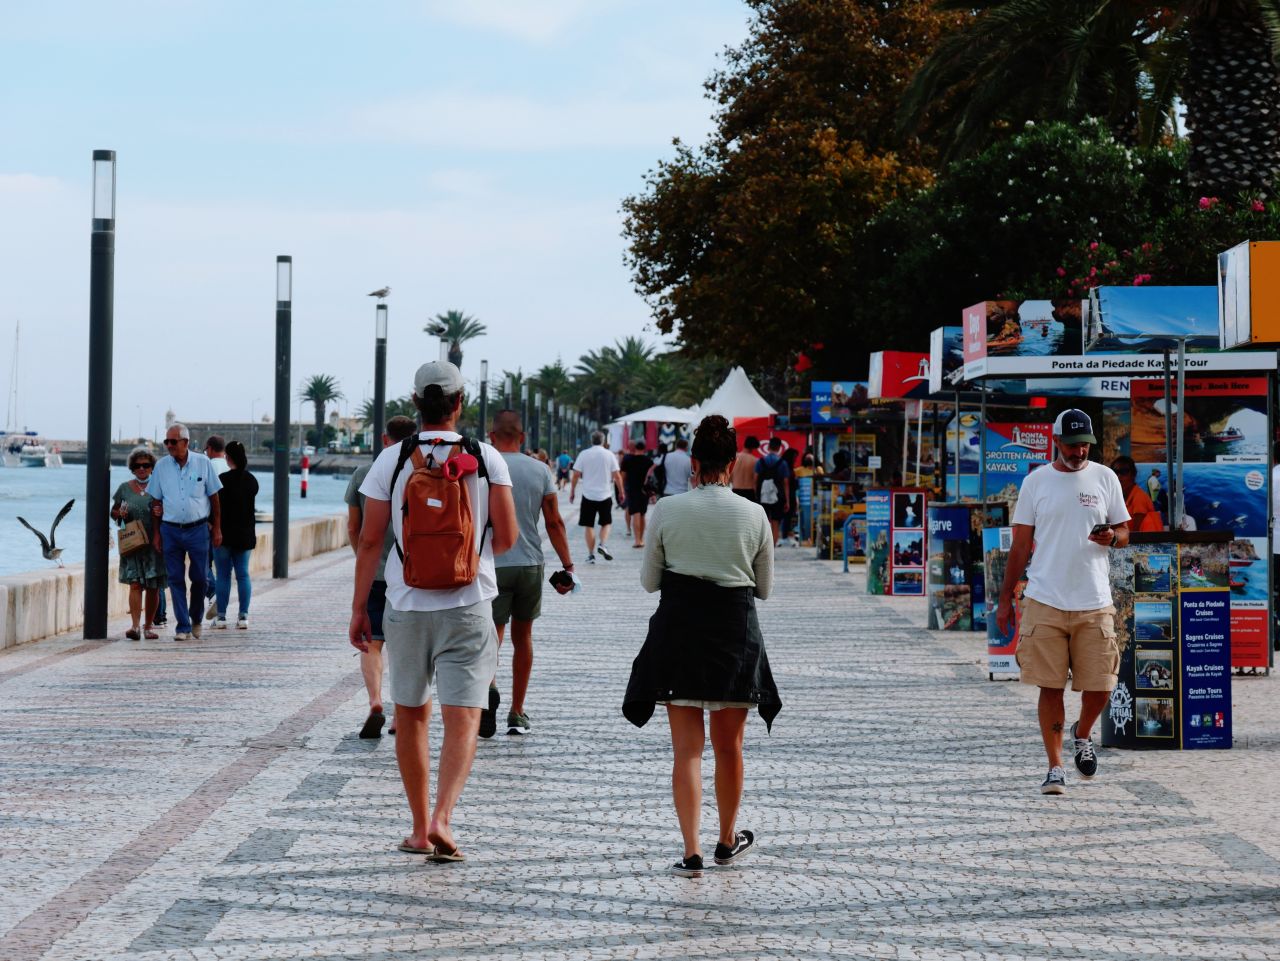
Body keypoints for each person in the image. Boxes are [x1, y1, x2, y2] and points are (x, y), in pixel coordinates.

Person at [350, 361, 516, 861]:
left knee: (412, 713)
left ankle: (420, 829)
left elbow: (370, 541)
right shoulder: (487, 459)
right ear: (460, 403)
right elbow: (506, 539)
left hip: (405, 605)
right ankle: (445, 816)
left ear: (416, 403)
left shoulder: (392, 461)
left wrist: (360, 608)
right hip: (470, 603)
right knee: (464, 716)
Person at [624, 415, 781, 878]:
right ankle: (726, 840)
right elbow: (765, 589)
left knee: (686, 750)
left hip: (680, 633)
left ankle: (690, 850)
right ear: (732, 463)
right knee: (729, 747)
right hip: (734, 633)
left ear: (693, 462)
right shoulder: (753, 515)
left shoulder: (667, 512)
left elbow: (650, 581)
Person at [995, 409, 1129, 796]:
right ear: (1057, 441)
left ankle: (1082, 732)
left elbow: (1124, 530)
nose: (1080, 449)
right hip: (1045, 599)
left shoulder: (1105, 477)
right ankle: (1055, 768)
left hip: (1094, 599)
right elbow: (1020, 546)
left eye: (1085, 442)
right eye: (1072, 444)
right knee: (1049, 686)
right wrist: (1005, 600)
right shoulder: (1036, 482)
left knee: (1103, 684)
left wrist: (1114, 539)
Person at [485, 410, 575, 738]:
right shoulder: (540, 470)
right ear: (522, 438)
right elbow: (553, 521)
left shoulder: (483, 468)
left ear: (491, 437)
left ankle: (488, 688)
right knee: (523, 638)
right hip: (529, 564)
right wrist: (568, 565)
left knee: (491, 634)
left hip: (491, 564)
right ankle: (517, 712)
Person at [347, 415, 419, 739]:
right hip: (411, 574)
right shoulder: (420, 469)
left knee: (371, 643)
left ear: (383, 437)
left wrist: (362, 560)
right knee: (406, 648)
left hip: (376, 573)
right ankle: (400, 716)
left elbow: (355, 528)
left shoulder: (365, 472)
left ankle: (375, 701)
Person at [148, 423, 223, 641]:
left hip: (198, 529)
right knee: (175, 579)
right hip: (170, 530)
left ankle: (196, 618)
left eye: (174, 441)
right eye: (167, 442)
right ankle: (182, 626)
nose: (169, 446)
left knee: (200, 578)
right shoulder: (161, 467)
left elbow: (215, 497)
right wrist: (156, 533)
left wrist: (217, 528)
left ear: (186, 442)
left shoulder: (203, 463)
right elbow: (155, 501)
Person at [111, 447, 167, 640]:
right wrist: (120, 514)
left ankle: (149, 626)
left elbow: (170, 509)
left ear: (152, 467)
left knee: (153, 586)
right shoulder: (124, 488)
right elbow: (114, 513)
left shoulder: (160, 486)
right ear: (132, 468)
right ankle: (135, 626)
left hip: (155, 542)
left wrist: (162, 512)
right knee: (135, 585)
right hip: (133, 543)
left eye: (146, 465)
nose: (142, 469)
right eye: (137, 466)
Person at [212, 441, 258, 631]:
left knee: (222, 575)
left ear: (228, 457)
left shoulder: (222, 479)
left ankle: (221, 617)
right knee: (243, 574)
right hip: (244, 536)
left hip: (223, 535)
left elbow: (215, 507)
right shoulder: (252, 480)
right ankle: (243, 616)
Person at [570, 431, 623, 563]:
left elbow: (576, 475)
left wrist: (572, 491)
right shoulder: (609, 454)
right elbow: (617, 476)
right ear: (603, 441)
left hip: (588, 495)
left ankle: (591, 555)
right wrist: (621, 492)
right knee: (606, 522)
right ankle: (602, 544)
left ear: (591, 440)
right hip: (605, 494)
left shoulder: (584, 454)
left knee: (589, 525)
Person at [200, 434, 230, 621]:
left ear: (210, 449)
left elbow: (207, 496)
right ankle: (221, 613)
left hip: (209, 524)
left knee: (202, 563)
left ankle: (213, 593)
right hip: (228, 526)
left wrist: (209, 521)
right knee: (225, 570)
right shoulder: (229, 467)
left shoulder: (207, 466)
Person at [1111, 455, 1163, 533]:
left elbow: (1136, 534)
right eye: (1115, 472)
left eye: (1124, 471)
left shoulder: (1139, 497)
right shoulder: (1120, 497)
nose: (1119, 476)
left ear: (1133, 475)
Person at [755, 438, 792, 547]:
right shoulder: (783, 463)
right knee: (776, 522)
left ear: (768, 447)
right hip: (778, 496)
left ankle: (763, 547)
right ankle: (772, 548)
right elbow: (786, 482)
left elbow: (755, 479)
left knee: (764, 522)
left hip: (763, 496)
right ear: (780, 448)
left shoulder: (760, 461)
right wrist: (787, 500)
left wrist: (756, 495)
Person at [620, 440, 654, 548]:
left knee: (636, 514)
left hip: (632, 489)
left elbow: (623, 476)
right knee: (643, 514)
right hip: (644, 490)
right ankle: (641, 539)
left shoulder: (628, 460)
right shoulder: (648, 460)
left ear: (635, 448)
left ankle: (637, 540)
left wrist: (622, 489)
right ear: (644, 449)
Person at [779, 447, 802, 546]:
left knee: (788, 516)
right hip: (788, 494)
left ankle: (785, 535)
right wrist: (788, 499)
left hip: (789, 494)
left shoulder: (785, 466)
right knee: (787, 516)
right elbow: (786, 483)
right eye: (795, 457)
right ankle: (784, 536)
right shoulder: (786, 467)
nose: (796, 460)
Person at [729, 436, 760, 500]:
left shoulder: (733, 458)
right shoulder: (755, 460)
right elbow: (755, 480)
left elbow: (729, 477)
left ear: (744, 444)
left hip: (736, 490)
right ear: (753, 447)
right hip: (749, 492)